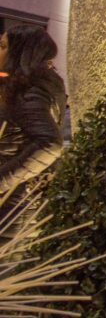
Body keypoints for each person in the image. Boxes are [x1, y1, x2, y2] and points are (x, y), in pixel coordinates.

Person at [0, 25, 65, 196]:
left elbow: (49, 144)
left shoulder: (30, 92)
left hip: (11, 201)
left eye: (3, 47)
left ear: (20, 54)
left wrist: (3, 181)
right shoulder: (22, 86)